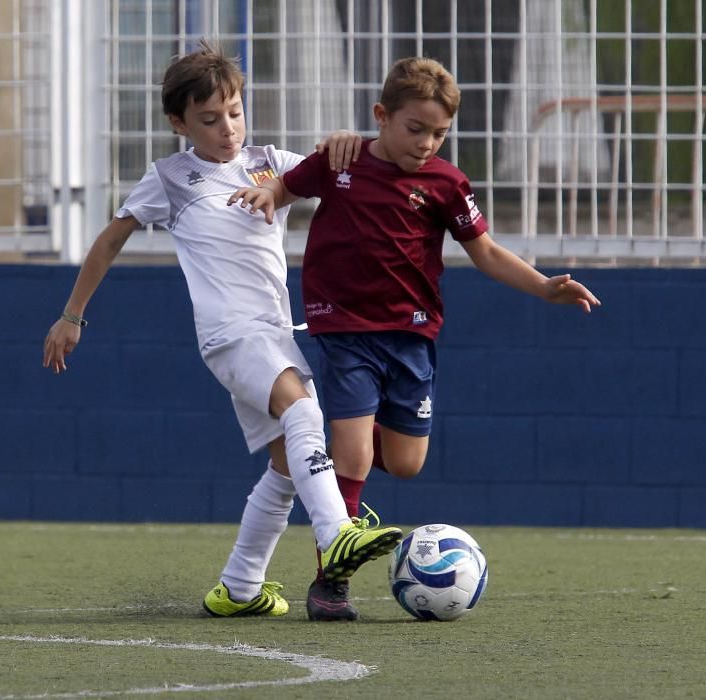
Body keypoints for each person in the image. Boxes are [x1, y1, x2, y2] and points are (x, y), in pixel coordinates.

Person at [229, 56, 602, 621]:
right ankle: (331, 582)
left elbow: (487, 252)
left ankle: (328, 459)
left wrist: (544, 287)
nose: (427, 142)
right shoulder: (341, 159)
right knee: (354, 450)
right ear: (382, 116)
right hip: (345, 328)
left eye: (440, 133)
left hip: (410, 338)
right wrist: (266, 197)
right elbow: (285, 186)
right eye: (416, 128)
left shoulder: (448, 184)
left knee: (405, 463)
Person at [42, 41, 402, 619]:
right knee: (306, 414)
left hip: (275, 332)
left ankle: (238, 588)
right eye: (209, 119)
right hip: (231, 334)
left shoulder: (271, 163)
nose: (227, 128)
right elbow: (110, 241)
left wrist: (348, 142)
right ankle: (337, 532)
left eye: (234, 112)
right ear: (179, 123)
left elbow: (345, 165)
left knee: (288, 464)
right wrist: (71, 315)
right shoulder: (170, 178)